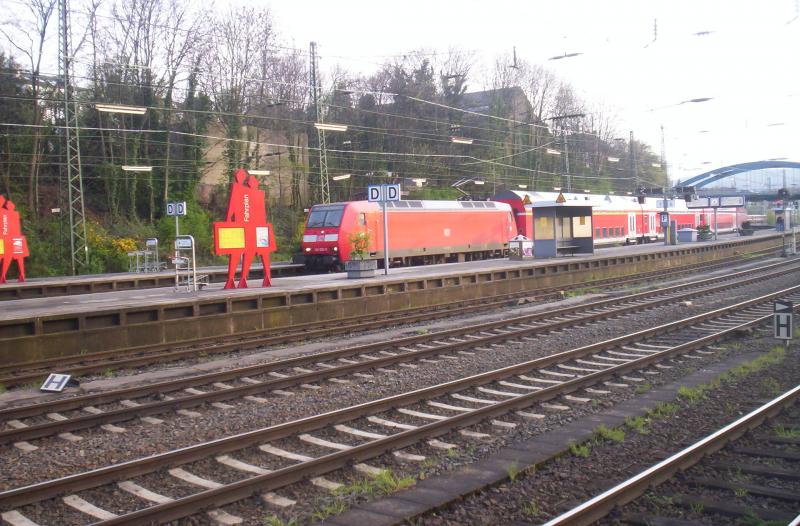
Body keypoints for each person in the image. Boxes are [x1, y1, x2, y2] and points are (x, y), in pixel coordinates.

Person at [222, 169, 248, 289]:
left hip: (239, 224)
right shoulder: (244, 190)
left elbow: (232, 205)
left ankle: (233, 278)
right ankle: (239, 278)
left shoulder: (238, 189)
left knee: (236, 253)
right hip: (244, 224)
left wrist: (228, 220)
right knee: (240, 253)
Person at [1, 198, 27, 283]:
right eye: (9, 203)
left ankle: (20, 274)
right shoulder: (8, 213)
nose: (11, 204)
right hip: (11, 238)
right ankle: (4, 275)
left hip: (12, 238)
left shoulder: (9, 213)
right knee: (6, 256)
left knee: (14, 257)